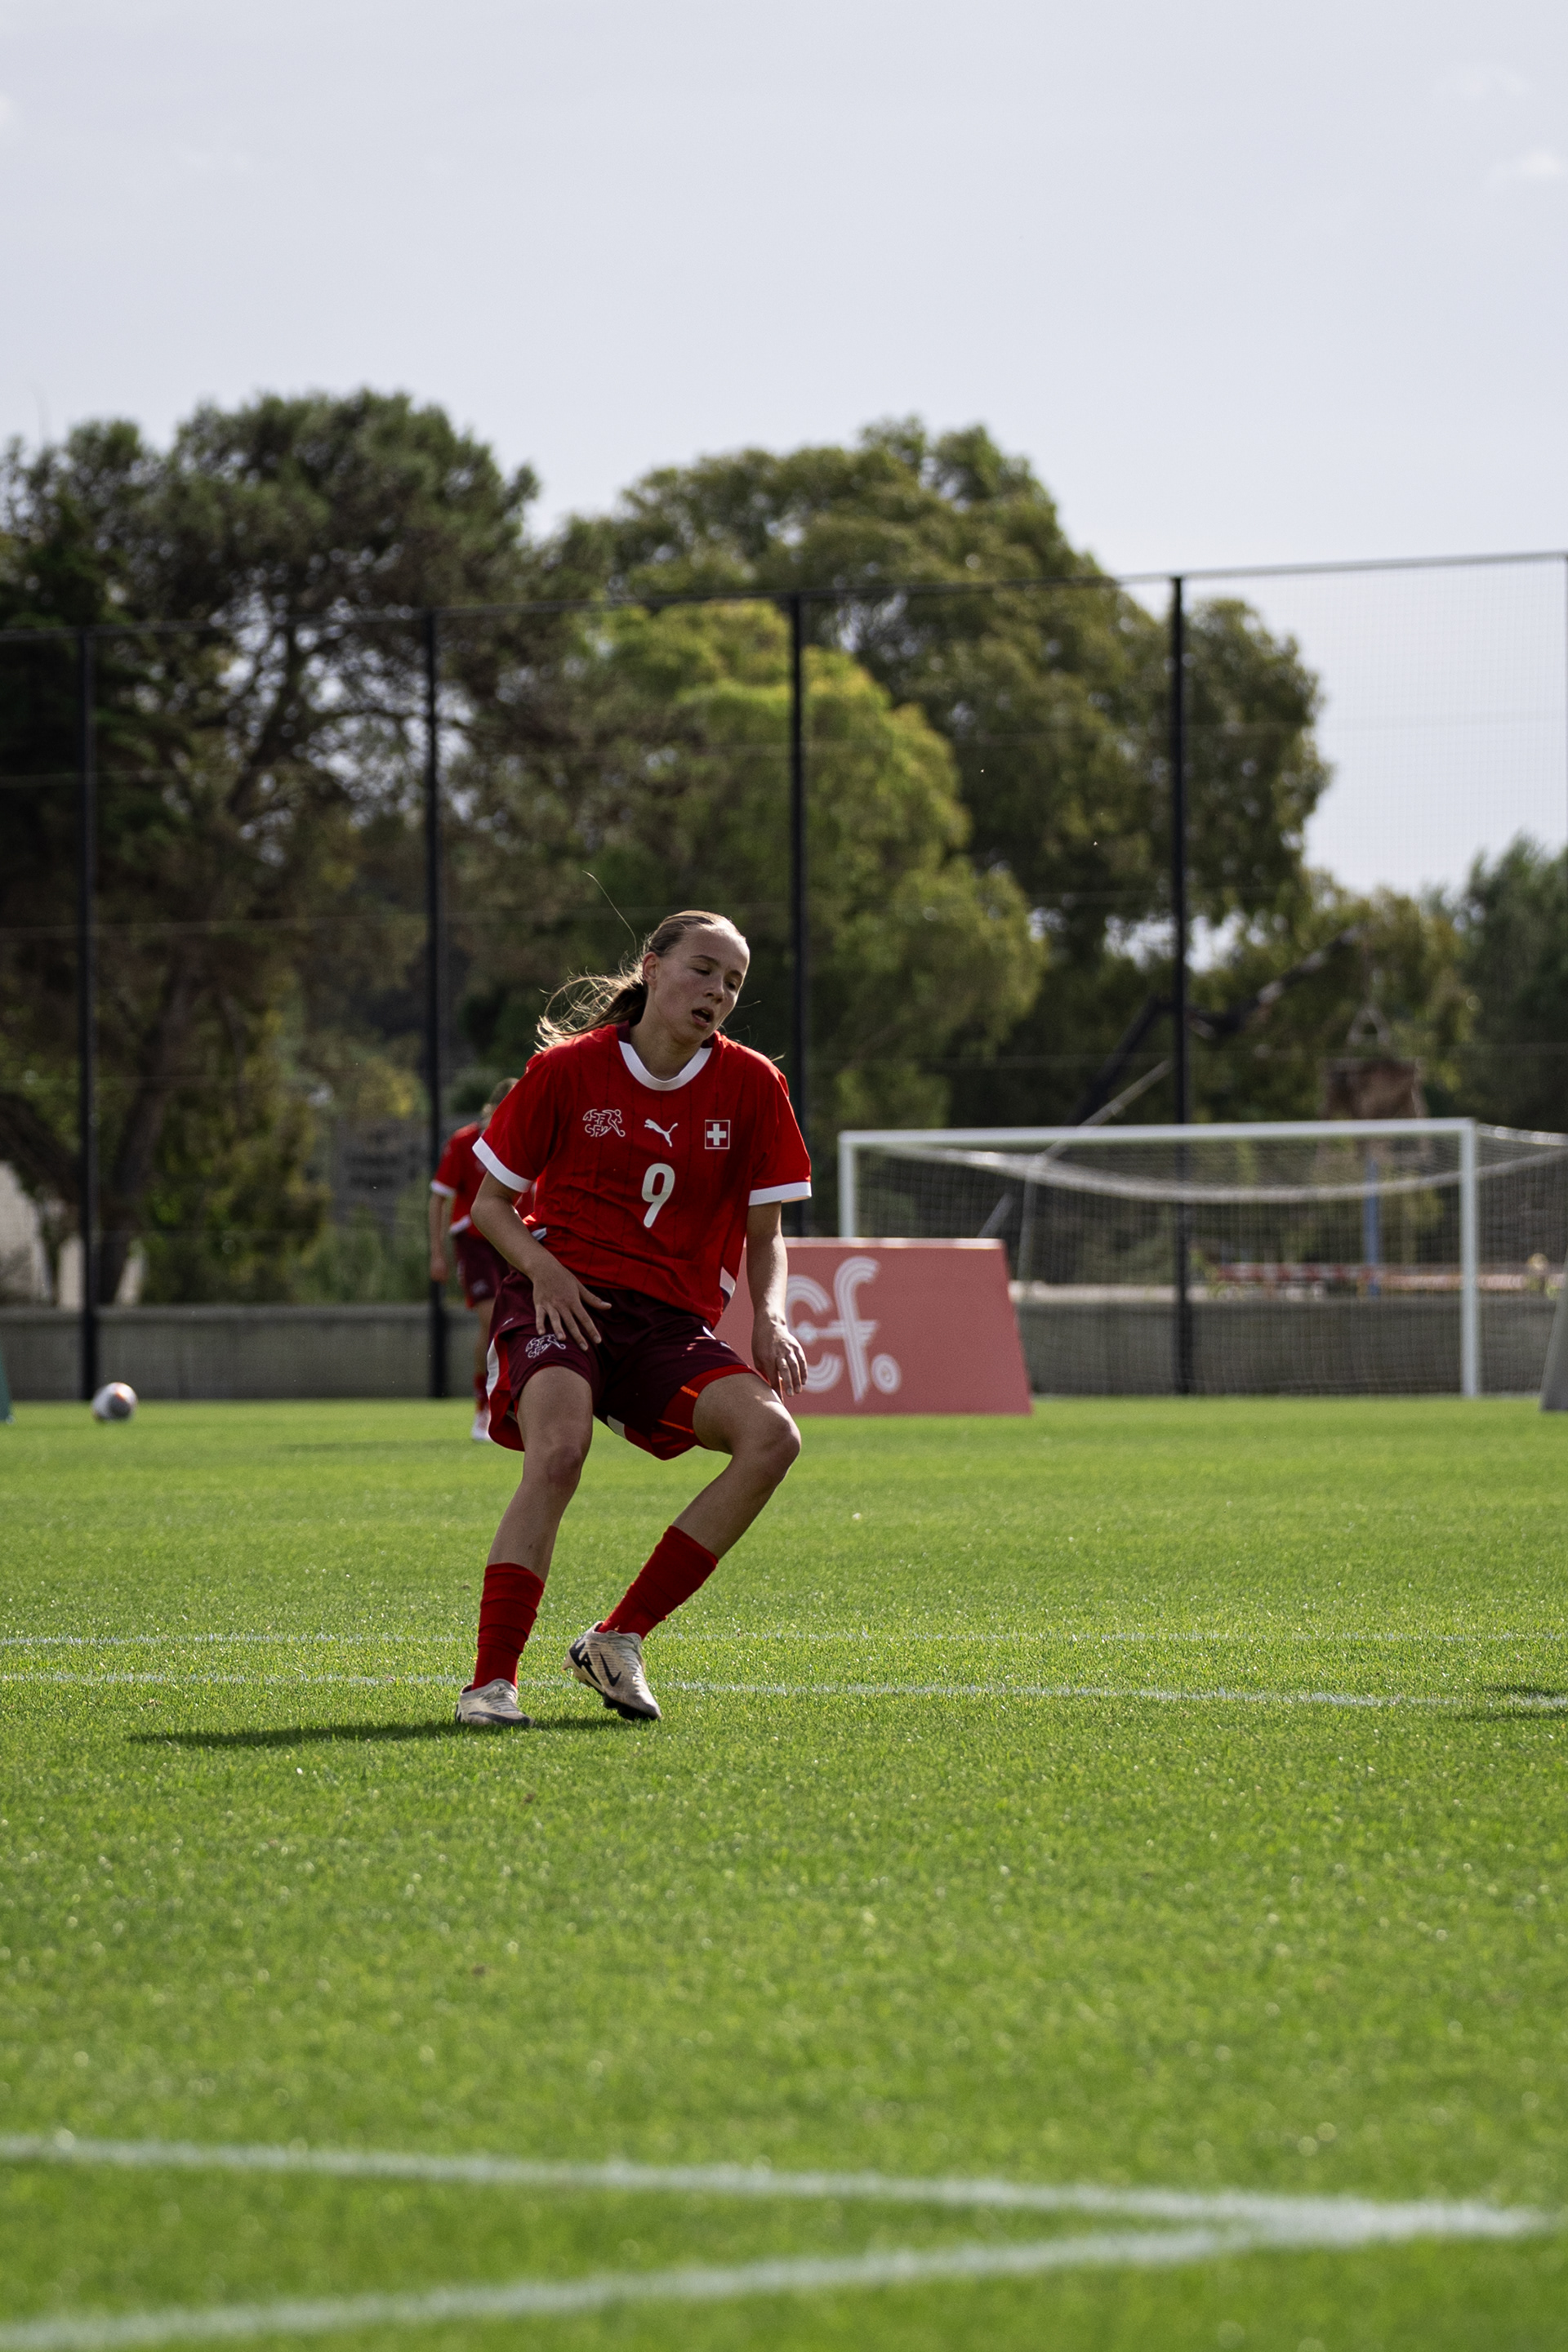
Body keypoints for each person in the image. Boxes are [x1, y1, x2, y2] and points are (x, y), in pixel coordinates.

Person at [454, 909, 811, 1729]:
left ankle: (616, 1640)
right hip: (562, 1299)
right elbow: (492, 1205)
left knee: (772, 1438)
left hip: (666, 1326)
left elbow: (766, 1235)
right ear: (652, 968)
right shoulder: (567, 1069)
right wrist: (546, 1272)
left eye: (733, 982)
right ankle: (490, 1685)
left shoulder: (755, 1084)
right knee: (558, 1454)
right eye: (702, 969)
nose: (717, 992)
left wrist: (771, 1317)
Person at [428, 1080, 519, 1441]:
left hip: (517, 1238)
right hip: (475, 1241)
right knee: (492, 1320)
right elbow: (439, 1197)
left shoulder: (528, 1139)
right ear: (491, 1109)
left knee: (519, 1324)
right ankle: (485, 1406)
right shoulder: (466, 1143)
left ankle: (516, 1401)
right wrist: (437, 1253)